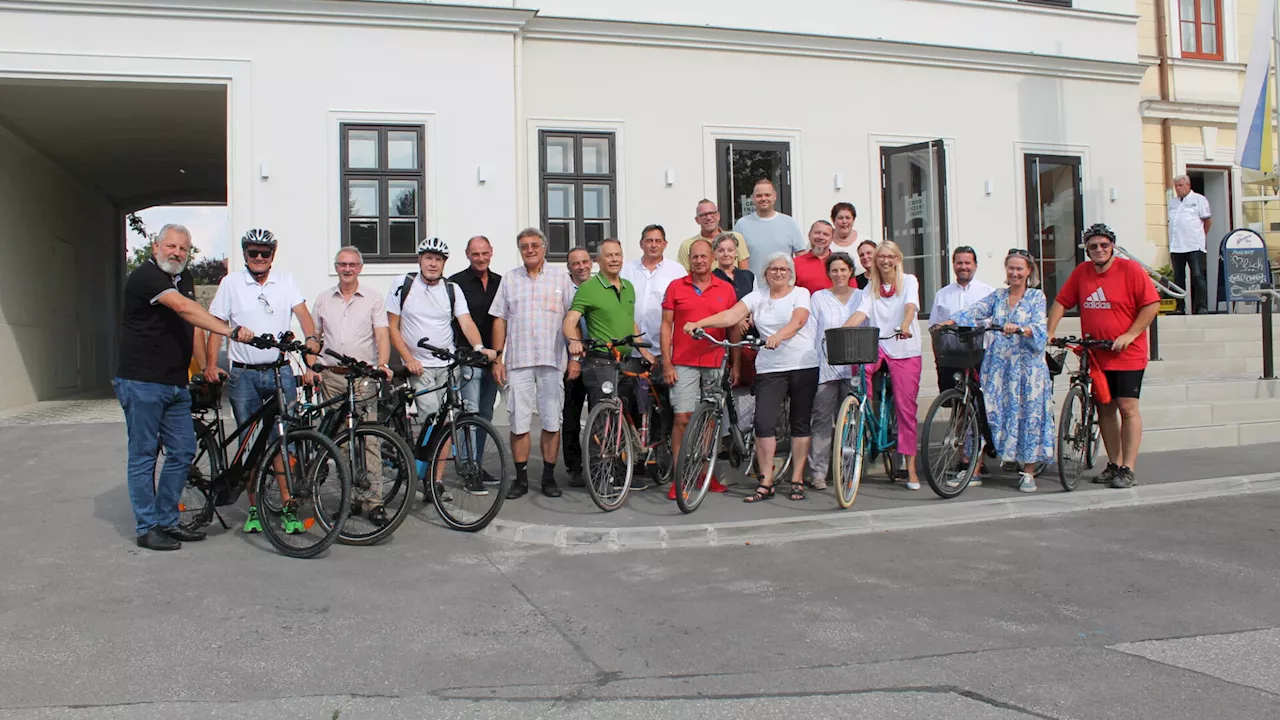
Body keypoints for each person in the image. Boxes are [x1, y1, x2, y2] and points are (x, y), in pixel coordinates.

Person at [116, 224, 254, 551]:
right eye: (171, 246)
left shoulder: (184, 277)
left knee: (182, 450)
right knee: (143, 456)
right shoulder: (145, 277)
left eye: (183, 248)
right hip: (142, 382)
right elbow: (184, 309)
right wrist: (230, 331)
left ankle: (166, 520)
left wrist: (207, 364)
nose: (177, 253)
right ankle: (147, 527)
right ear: (156, 247)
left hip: (174, 384)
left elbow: (192, 325)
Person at [207, 228, 320, 534]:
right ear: (245, 254)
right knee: (250, 445)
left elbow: (304, 315)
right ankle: (255, 508)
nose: (258, 258)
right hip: (243, 374)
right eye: (252, 252)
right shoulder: (231, 283)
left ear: (273, 255)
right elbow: (216, 325)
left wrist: (311, 342)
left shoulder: (284, 280)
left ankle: (286, 506)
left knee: (283, 441)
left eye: (264, 253)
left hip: (279, 371)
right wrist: (209, 364)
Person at [690, 253, 819, 503]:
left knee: (800, 422)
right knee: (763, 424)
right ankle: (766, 481)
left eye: (783, 269)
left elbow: (799, 319)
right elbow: (730, 315)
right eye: (773, 269)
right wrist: (700, 323)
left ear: (790, 273)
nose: (778, 273)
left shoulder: (800, 293)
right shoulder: (757, 296)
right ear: (765, 274)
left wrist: (780, 335)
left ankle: (797, 480)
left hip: (802, 364)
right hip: (770, 367)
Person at [1048, 223, 1160, 489]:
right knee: (1105, 409)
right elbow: (1062, 301)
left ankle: (1128, 468)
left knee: (1127, 408)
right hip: (1097, 353)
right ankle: (1113, 463)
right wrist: (1050, 331)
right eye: (1093, 246)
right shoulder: (1083, 272)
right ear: (1087, 249)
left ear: (1112, 246)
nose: (1098, 250)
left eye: (1104, 245)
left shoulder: (1129, 270)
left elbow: (1152, 304)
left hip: (1127, 354)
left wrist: (1130, 335)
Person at [938, 250, 1054, 493]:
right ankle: (975, 469)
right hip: (998, 366)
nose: (1014, 273)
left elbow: (1040, 327)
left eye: (1019, 269)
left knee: (1028, 416)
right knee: (985, 413)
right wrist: (951, 322)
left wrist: (1022, 329)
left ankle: (1028, 472)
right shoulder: (998, 296)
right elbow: (977, 310)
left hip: (1027, 368)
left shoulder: (1036, 297)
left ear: (1028, 271)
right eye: (1010, 268)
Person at [388, 237, 494, 496]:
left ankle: (434, 481)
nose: (433, 263)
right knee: (432, 419)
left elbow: (466, 321)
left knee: (446, 424)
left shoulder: (451, 289)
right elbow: (392, 326)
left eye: (438, 259)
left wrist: (479, 348)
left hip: (447, 367)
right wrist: (408, 358)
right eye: (428, 258)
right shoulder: (404, 285)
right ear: (420, 260)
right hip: (419, 368)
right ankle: (420, 472)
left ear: (444, 263)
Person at [305, 246, 393, 524]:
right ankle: (349, 499)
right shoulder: (323, 299)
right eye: (342, 264)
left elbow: (381, 335)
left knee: (369, 440)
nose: (347, 269)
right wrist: (311, 364)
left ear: (360, 267)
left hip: (362, 377)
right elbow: (314, 336)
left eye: (352, 264)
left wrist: (383, 365)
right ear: (336, 267)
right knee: (340, 442)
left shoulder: (373, 298)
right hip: (332, 377)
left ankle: (374, 502)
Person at [491, 228, 578, 499]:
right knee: (519, 421)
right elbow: (500, 319)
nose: (530, 250)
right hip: (519, 361)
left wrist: (575, 356)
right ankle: (521, 478)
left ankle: (549, 477)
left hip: (552, 361)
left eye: (534, 245)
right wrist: (497, 358)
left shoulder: (561, 279)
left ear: (544, 248)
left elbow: (573, 317)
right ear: (520, 250)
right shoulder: (509, 280)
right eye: (524, 246)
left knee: (552, 421)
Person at [842, 240, 924, 489]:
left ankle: (910, 468)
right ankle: (863, 416)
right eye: (881, 257)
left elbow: (910, 307)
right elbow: (862, 312)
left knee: (905, 409)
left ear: (898, 259)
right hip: (879, 344)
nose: (885, 261)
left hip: (904, 346)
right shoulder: (871, 286)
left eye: (890, 256)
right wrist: (843, 329)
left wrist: (906, 324)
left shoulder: (909, 280)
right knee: (860, 368)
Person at [661, 238, 738, 499]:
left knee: (709, 421)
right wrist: (667, 362)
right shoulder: (675, 287)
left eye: (704, 256)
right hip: (683, 362)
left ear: (713, 258)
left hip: (716, 362)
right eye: (695, 257)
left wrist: (736, 362)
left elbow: (733, 327)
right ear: (689, 260)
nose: (700, 261)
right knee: (682, 419)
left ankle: (706, 473)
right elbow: (666, 326)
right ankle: (679, 477)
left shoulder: (726, 289)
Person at [621, 224, 686, 447]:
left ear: (665, 244)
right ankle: (634, 452)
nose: (653, 245)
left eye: (658, 241)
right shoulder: (627, 270)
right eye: (649, 241)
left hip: (664, 350)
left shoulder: (676, 271)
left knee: (664, 404)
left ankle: (661, 451)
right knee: (633, 403)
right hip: (635, 349)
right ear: (641, 244)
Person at [806, 252, 864, 490]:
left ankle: (848, 470)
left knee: (851, 421)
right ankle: (818, 472)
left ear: (850, 271)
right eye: (834, 270)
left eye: (843, 270)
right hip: (826, 368)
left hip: (854, 369)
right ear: (828, 273)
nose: (839, 274)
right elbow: (811, 330)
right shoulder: (818, 298)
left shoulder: (862, 297)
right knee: (821, 420)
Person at [449, 236, 502, 427]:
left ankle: (476, 458)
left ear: (491, 252)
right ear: (467, 255)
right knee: (469, 414)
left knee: (486, 415)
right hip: (468, 359)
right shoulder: (456, 283)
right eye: (476, 254)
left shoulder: (500, 282)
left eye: (485, 253)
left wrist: (499, 358)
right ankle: (465, 458)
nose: (481, 258)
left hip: (494, 358)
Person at [929, 246, 996, 393]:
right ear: (953, 265)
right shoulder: (943, 294)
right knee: (954, 396)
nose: (963, 267)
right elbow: (935, 325)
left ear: (975, 265)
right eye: (959, 263)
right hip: (953, 353)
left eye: (967, 263)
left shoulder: (988, 292)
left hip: (981, 352)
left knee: (982, 398)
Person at [560, 247, 594, 488]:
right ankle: (574, 467)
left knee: (597, 414)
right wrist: (575, 358)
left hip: (598, 359)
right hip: (570, 359)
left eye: (585, 261)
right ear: (568, 267)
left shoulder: (598, 287)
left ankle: (596, 465)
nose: (581, 266)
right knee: (571, 416)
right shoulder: (563, 292)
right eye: (575, 263)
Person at [733, 178, 806, 280]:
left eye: (767, 195)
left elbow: (801, 257)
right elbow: (733, 257)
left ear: (775, 196)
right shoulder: (742, 224)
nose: (763, 198)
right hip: (752, 289)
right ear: (753, 198)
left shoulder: (789, 223)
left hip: (783, 288)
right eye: (759, 195)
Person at [1168, 174, 1211, 314]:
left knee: (1198, 276)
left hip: (1194, 245)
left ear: (1188, 185)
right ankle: (1180, 307)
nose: (1178, 189)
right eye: (1176, 186)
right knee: (1178, 278)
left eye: (1181, 185)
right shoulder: (1173, 202)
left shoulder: (1199, 199)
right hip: (1176, 246)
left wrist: (1201, 237)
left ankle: (1201, 306)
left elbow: (1207, 222)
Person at [678, 199, 748, 271]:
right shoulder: (687, 245)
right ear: (697, 220)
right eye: (703, 215)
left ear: (718, 216)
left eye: (711, 213)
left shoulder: (736, 238)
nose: (708, 218)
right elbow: (684, 277)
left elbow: (744, 273)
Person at [793, 220, 835, 293]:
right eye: (817, 233)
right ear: (809, 235)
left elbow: (852, 293)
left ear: (832, 239)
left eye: (826, 234)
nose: (821, 237)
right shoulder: (795, 263)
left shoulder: (842, 263)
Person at [712, 232, 756, 301]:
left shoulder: (749, 276)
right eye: (721, 251)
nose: (726, 254)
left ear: (736, 253)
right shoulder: (710, 278)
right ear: (714, 254)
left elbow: (756, 302)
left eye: (730, 250)